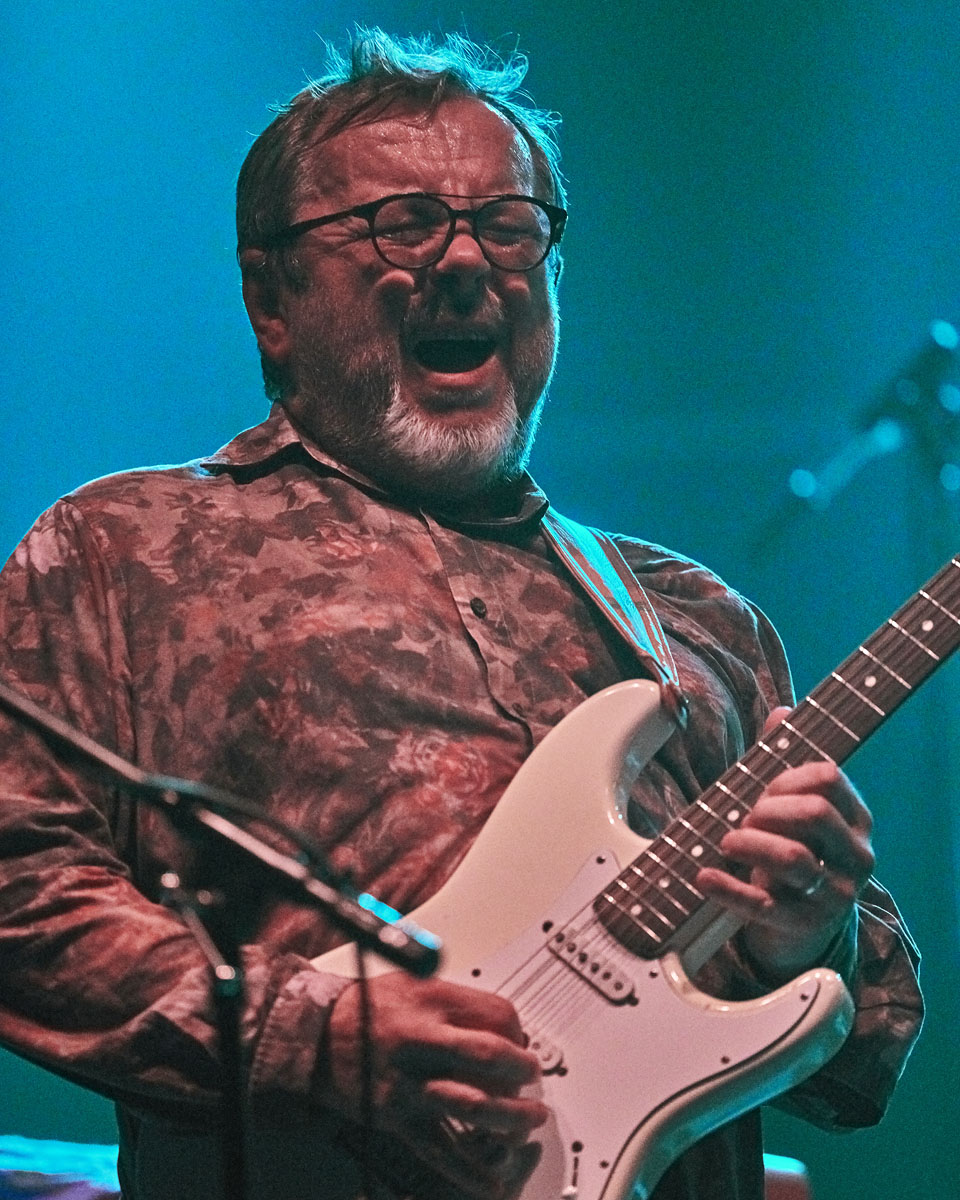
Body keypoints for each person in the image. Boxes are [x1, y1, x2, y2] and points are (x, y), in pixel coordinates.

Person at [0, 28, 922, 1200]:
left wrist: (803, 935)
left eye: (510, 225)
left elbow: (866, 1059)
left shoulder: (695, 618)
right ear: (270, 298)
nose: (466, 260)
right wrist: (316, 1033)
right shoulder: (127, 551)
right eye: (401, 224)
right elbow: (16, 886)